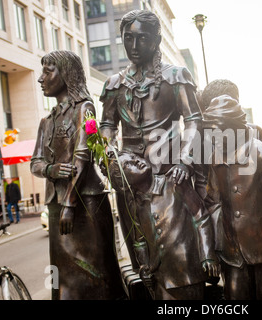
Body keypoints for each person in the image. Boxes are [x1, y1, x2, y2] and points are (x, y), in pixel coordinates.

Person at [99, 10, 203, 273]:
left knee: (177, 258)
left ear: (156, 40)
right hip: (130, 183)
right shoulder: (114, 85)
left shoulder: (175, 76)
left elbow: (193, 120)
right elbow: (108, 126)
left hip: (169, 180)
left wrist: (185, 161)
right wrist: (108, 156)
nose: (134, 46)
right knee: (141, 263)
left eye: (142, 39)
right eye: (128, 38)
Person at [30, 50, 127, 300]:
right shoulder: (46, 121)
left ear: (67, 74)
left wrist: (69, 205)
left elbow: (84, 155)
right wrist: (50, 169)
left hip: (86, 203)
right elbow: (35, 163)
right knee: (62, 276)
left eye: (48, 71)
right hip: (57, 205)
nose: (41, 79)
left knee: (99, 274)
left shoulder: (86, 108)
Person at [204, 95, 262, 300]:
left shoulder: (260, 152)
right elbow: (213, 202)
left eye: (217, 130)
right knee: (235, 295)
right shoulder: (214, 157)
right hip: (232, 247)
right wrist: (213, 246)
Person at [106, 151, 219, 300]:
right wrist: (145, 267)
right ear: (122, 181)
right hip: (160, 277)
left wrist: (207, 254)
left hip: (187, 272)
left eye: (135, 157)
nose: (137, 161)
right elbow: (139, 241)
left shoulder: (174, 182)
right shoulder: (135, 204)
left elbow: (200, 216)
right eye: (128, 164)